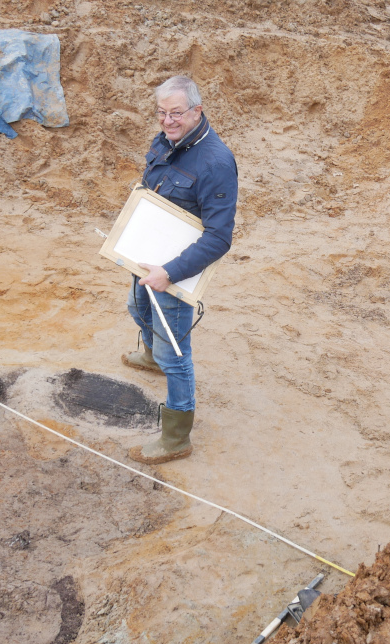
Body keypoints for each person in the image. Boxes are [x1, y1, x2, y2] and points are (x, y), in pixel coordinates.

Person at [123, 75, 238, 465]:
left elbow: (219, 238)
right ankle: (152, 357)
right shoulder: (167, 142)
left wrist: (169, 273)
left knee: (176, 353)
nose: (167, 121)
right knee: (137, 309)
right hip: (148, 254)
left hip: (175, 271)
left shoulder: (216, 163)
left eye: (176, 113)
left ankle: (176, 438)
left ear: (196, 111)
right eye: (161, 113)